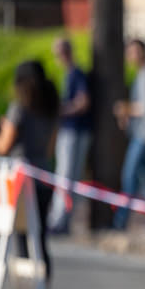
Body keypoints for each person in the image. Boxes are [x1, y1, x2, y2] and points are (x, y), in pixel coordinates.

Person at [0, 61, 59, 289]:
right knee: (41, 238)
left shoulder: (19, 110)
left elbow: (2, 146)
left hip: (22, 182)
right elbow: (49, 149)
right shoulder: (50, 109)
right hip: (44, 178)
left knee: (22, 242)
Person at [47, 37, 92, 234]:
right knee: (65, 176)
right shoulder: (69, 75)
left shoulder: (77, 74)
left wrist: (63, 110)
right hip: (69, 131)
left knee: (66, 176)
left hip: (75, 131)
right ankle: (61, 218)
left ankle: (60, 220)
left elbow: (83, 102)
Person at [112, 39, 145, 231]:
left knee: (129, 175)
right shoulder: (141, 74)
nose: (132, 56)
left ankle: (121, 220)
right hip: (141, 131)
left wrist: (126, 109)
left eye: (135, 52)